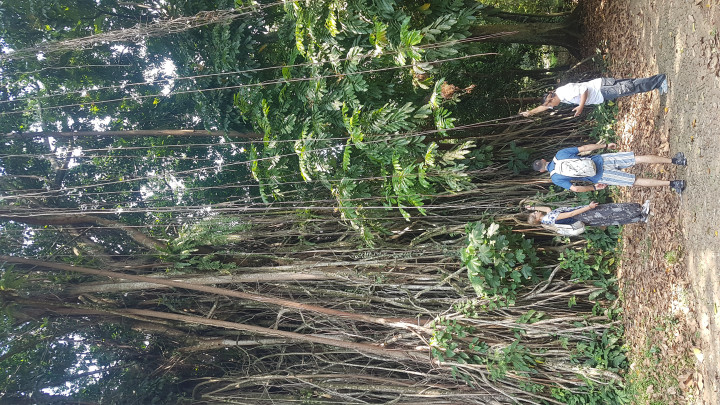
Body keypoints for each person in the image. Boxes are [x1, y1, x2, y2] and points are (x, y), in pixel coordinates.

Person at [533, 142, 686, 194]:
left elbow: (576, 189)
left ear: (542, 171)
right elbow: (585, 147)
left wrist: (594, 188)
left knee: (635, 181)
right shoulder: (560, 154)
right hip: (600, 159)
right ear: (543, 160)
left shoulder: (555, 178)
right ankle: (676, 160)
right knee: (637, 159)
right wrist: (605, 145)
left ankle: (674, 184)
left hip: (598, 176)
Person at [521, 74, 668, 117]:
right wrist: (530, 112)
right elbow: (543, 108)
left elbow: (584, 89)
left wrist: (580, 107)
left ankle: (660, 80)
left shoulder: (563, 92)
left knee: (631, 86)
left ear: (551, 98)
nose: (551, 107)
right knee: (631, 86)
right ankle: (656, 84)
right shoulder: (561, 98)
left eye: (550, 104)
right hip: (602, 92)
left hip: (601, 89)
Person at [526, 200, 650, 235]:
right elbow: (570, 214)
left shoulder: (547, 219)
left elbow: (547, 209)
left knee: (610, 218)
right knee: (610, 211)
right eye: (534, 214)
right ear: (537, 219)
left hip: (585, 219)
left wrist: (532, 207)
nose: (536, 212)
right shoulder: (550, 219)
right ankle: (640, 210)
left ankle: (639, 217)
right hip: (584, 215)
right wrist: (588, 208)